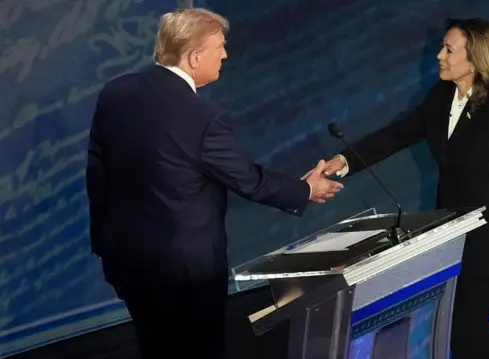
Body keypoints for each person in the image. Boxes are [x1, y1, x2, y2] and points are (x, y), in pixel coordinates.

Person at [85, 8, 343, 359]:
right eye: (220, 47)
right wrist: (307, 189)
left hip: (128, 263)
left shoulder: (116, 93)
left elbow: (97, 173)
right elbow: (247, 180)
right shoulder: (203, 119)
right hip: (186, 277)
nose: (225, 54)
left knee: (156, 349)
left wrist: (105, 245)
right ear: (194, 57)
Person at [318, 18, 489, 359]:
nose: (439, 55)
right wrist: (343, 160)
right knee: (467, 329)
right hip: (452, 235)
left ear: (475, 60)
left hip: (488, 242)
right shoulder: (441, 96)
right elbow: (398, 134)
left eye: (448, 50)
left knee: (468, 332)